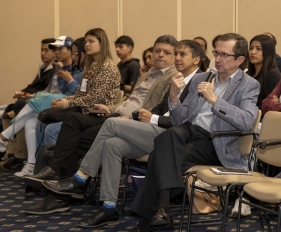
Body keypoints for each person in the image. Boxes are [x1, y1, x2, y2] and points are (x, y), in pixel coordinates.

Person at [25, 40, 203, 223]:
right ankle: (109, 207)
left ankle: (80, 178)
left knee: (110, 124)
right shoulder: (178, 78)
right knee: (112, 145)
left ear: (196, 59)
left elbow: (186, 119)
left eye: (182, 54)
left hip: (172, 137)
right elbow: (159, 107)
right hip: (152, 129)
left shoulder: (200, 81)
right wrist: (149, 114)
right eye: (177, 54)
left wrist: (152, 118)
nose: (177, 58)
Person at [130, 33, 260, 231]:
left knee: (160, 154)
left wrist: (215, 100)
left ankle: (156, 212)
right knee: (170, 134)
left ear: (240, 60)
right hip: (188, 131)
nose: (218, 59)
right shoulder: (203, 77)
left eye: (225, 55)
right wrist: (174, 98)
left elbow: (246, 121)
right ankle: (162, 208)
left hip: (215, 141)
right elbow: (179, 119)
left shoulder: (248, 85)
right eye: (217, 53)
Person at [23, 35, 177, 186]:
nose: (160, 55)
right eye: (157, 51)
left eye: (167, 52)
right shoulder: (148, 74)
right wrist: (109, 108)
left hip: (132, 123)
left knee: (77, 138)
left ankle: (64, 184)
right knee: (73, 121)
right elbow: (129, 101)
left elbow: (155, 109)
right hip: (115, 114)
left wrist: (130, 118)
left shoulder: (173, 77)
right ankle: (59, 178)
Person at [0, 36, 86, 177]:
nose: (57, 52)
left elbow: (77, 95)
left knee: (39, 100)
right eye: (55, 49)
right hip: (55, 104)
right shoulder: (59, 69)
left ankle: (4, 137)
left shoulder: (80, 69)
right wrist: (33, 95)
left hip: (68, 107)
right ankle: (32, 164)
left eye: (60, 48)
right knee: (30, 123)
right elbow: (53, 91)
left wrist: (69, 80)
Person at [0, 38, 57, 164]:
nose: (42, 53)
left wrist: (27, 95)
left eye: (46, 50)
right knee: (7, 110)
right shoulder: (43, 67)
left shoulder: (56, 70)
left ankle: (21, 155)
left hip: (45, 104)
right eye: (41, 50)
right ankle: (11, 151)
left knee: (21, 108)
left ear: (55, 52)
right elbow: (33, 85)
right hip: (34, 100)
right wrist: (22, 92)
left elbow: (48, 93)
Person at [247, 34, 281, 109]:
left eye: (258, 49)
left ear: (267, 52)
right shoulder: (248, 74)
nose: (253, 52)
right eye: (251, 48)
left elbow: (268, 104)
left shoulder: (272, 75)